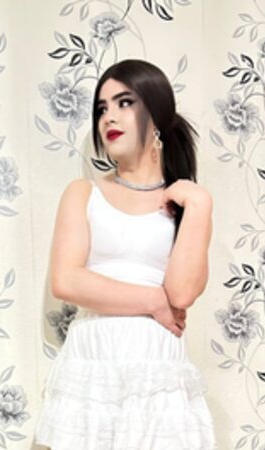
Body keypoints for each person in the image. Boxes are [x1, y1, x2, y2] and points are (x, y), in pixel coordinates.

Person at [35, 59, 217, 449]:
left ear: (157, 115)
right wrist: (153, 301)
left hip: (157, 367)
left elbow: (182, 294)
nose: (109, 117)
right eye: (102, 108)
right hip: (93, 363)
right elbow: (66, 281)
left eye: (124, 102)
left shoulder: (185, 203)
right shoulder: (83, 193)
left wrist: (200, 203)